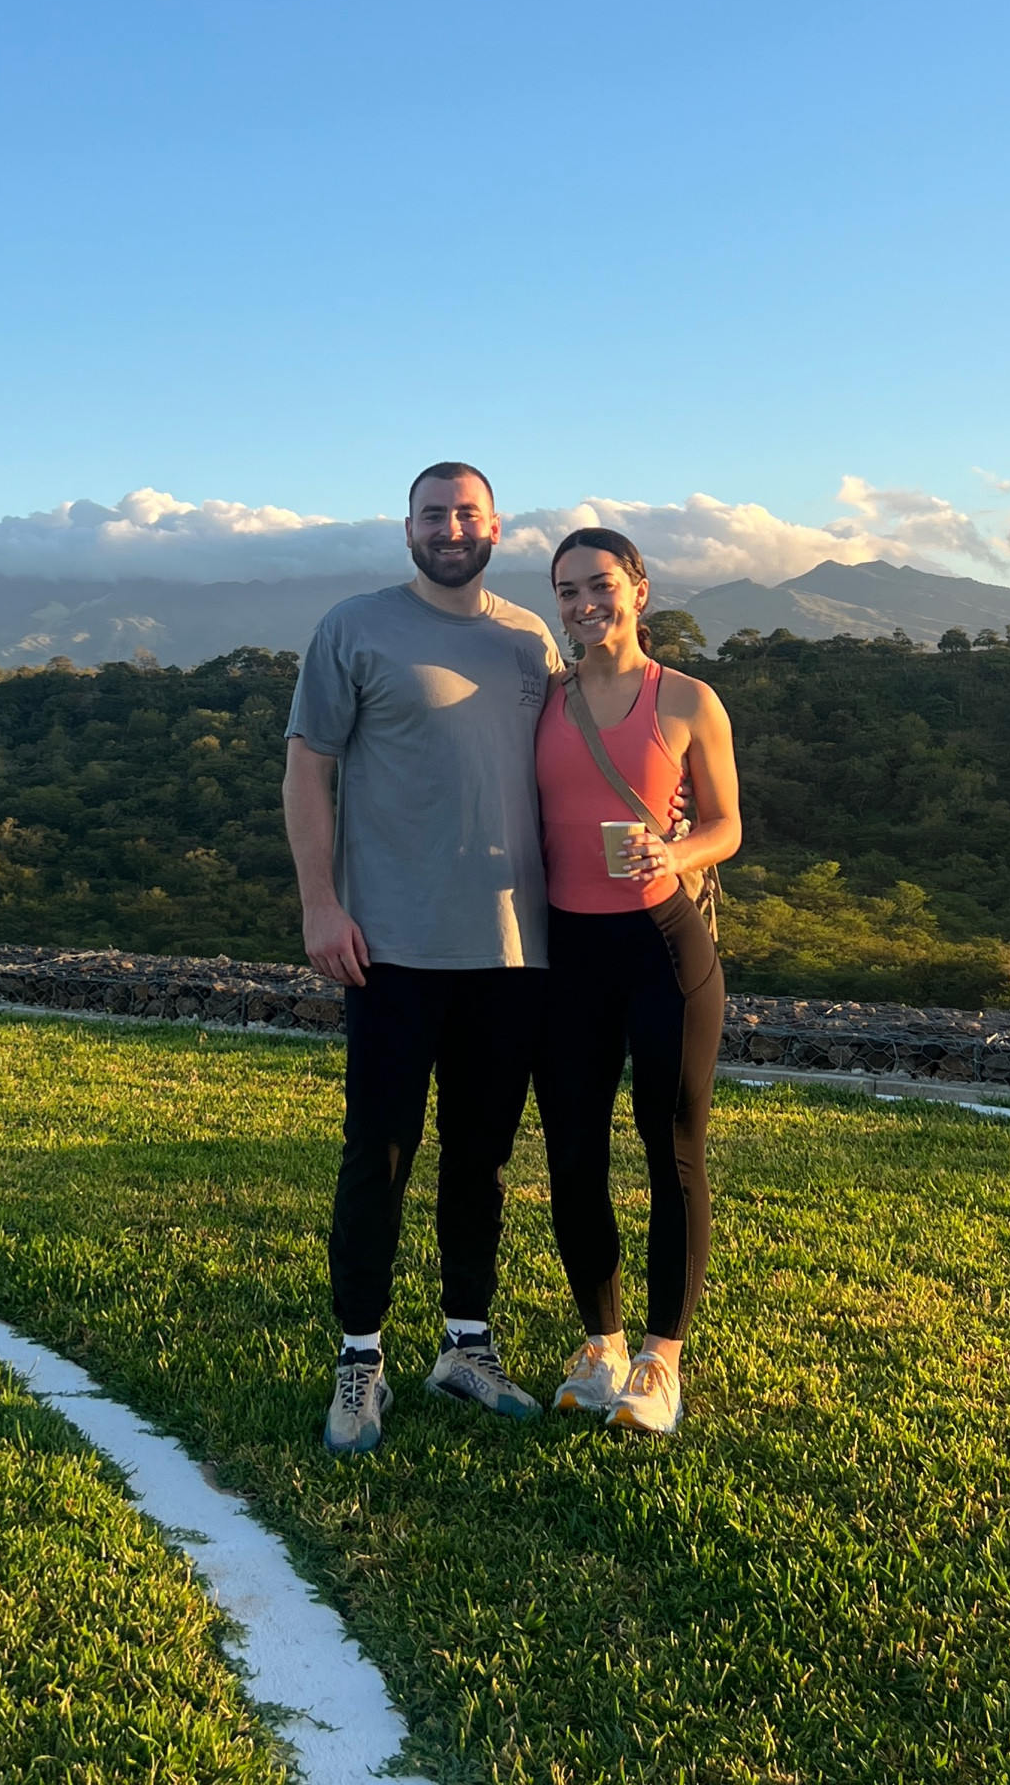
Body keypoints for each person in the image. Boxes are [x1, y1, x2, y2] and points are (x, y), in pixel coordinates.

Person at [282, 462, 565, 1454]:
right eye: (434, 514)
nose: (451, 528)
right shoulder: (353, 627)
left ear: (496, 526)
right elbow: (307, 768)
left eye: (467, 514)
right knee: (381, 1150)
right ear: (406, 527)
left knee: (482, 1156)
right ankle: (360, 1360)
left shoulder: (531, 637)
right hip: (390, 941)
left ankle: (466, 1344)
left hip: (510, 945)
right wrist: (322, 903)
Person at [533, 528, 741, 1435]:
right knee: (573, 1155)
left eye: (602, 584)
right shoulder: (540, 701)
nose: (586, 604)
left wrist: (675, 846)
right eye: (568, 590)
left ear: (640, 590)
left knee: (673, 1152)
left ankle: (663, 1359)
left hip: (664, 945)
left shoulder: (690, 700)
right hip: (565, 952)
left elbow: (727, 825)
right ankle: (602, 1343)